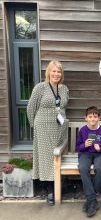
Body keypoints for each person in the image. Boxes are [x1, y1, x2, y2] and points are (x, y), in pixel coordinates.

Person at [27, 60, 69, 206]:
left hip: (59, 126)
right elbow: (31, 108)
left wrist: (63, 122)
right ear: (48, 72)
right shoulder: (40, 88)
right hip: (43, 126)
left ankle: (59, 183)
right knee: (47, 156)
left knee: (58, 154)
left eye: (59, 72)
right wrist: (35, 126)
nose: (56, 74)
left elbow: (63, 108)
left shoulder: (64, 89)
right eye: (54, 71)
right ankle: (50, 188)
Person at [76, 106, 101, 218]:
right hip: (85, 154)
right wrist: (84, 145)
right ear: (85, 118)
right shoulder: (83, 131)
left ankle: (90, 200)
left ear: (99, 118)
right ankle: (93, 200)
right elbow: (78, 147)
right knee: (83, 168)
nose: (93, 119)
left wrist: (100, 149)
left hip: (100, 154)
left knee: (100, 169)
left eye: (95, 116)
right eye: (90, 117)